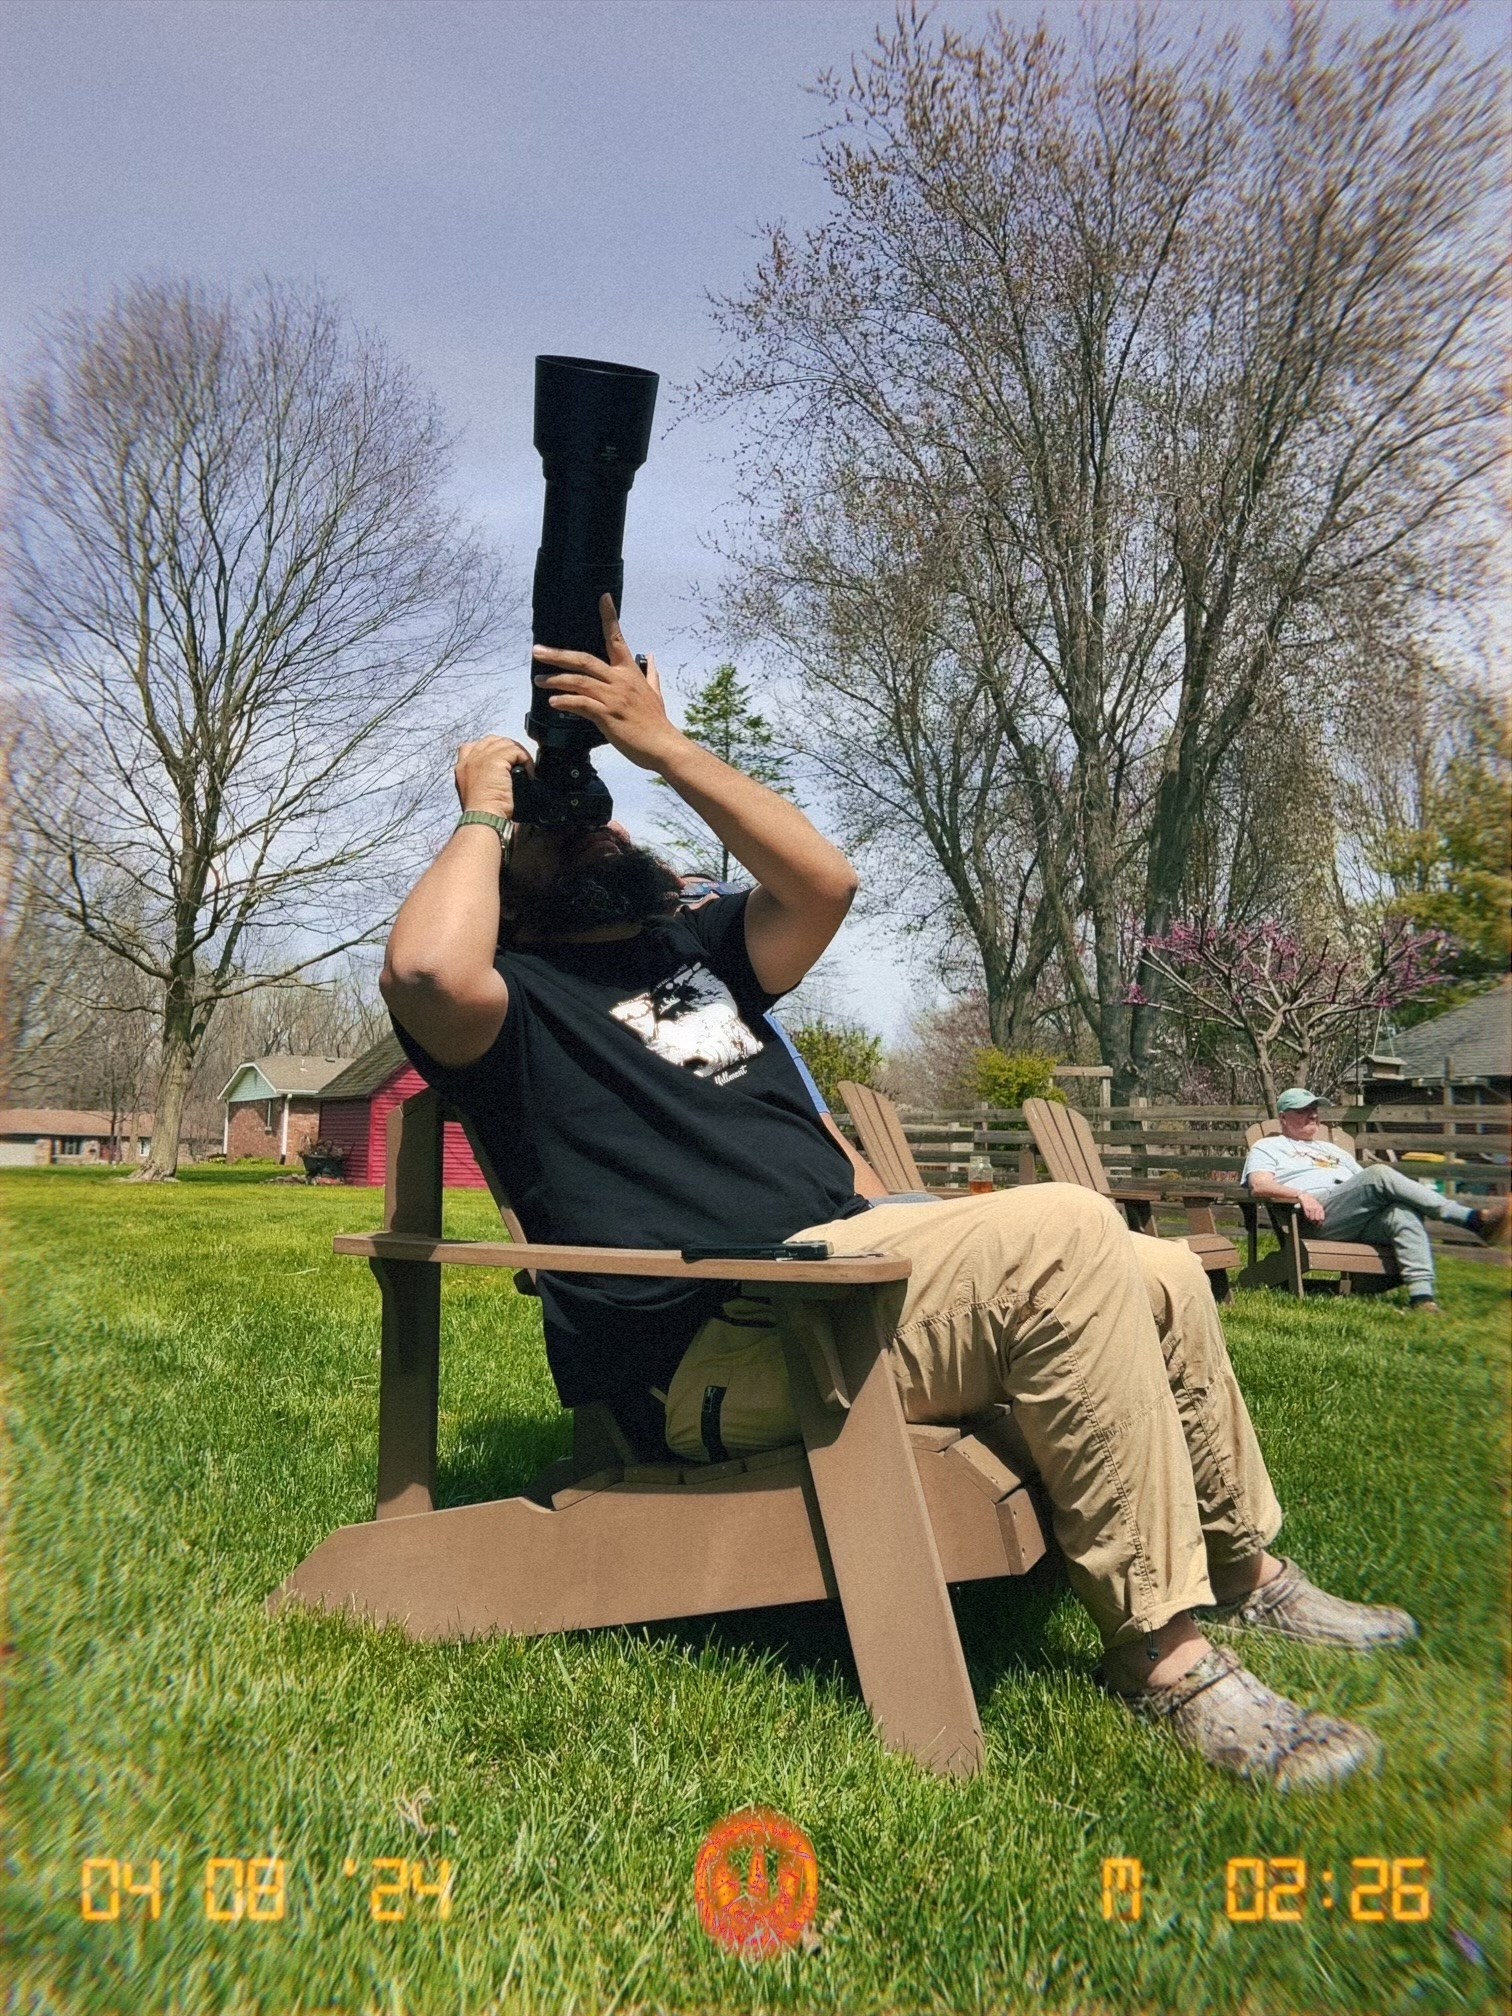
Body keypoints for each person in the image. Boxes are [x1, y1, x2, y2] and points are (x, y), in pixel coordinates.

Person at [381, 595, 1419, 1793]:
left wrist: (661, 745)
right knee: (1074, 1231)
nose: (594, 830)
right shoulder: (502, 1009)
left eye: (595, 814)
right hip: (732, 1342)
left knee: (1163, 1266)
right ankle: (1164, 1657)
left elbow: (825, 881)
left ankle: (1244, 1575)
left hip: (849, 1276)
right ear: (503, 879)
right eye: (561, 835)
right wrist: (482, 806)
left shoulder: (694, 955)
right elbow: (423, 962)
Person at [1242, 1088, 1508, 1312]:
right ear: (1283, 1118)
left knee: (1401, 1212)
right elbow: (1259, 1186)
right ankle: (1471, 1219)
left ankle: (1422, 1298)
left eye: (1315, 1108)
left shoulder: (1332, 1149)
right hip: (1311, 1218)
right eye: (1303, 1110)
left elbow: (1368, 1187)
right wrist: (1301, 1194)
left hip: (1351, 1217)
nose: (1312, 1114)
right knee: (1379, 1173)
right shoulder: (1269, 1147)